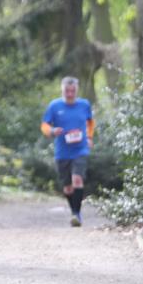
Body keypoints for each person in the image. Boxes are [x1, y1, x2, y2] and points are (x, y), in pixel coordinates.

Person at [41, 77, 94, 227]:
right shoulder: (54, 106)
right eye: (67, 91)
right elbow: (44, 125)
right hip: (62, 151)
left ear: (77, 90)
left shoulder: (84, 105)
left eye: (73, 91)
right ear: (62, 90)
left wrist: (89, 137)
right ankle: (74, 212)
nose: (70, 94)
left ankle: (77, 214)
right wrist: (51, 131)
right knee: (67, 187)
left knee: (77, 179)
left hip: (80, 149)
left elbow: (90, 122)